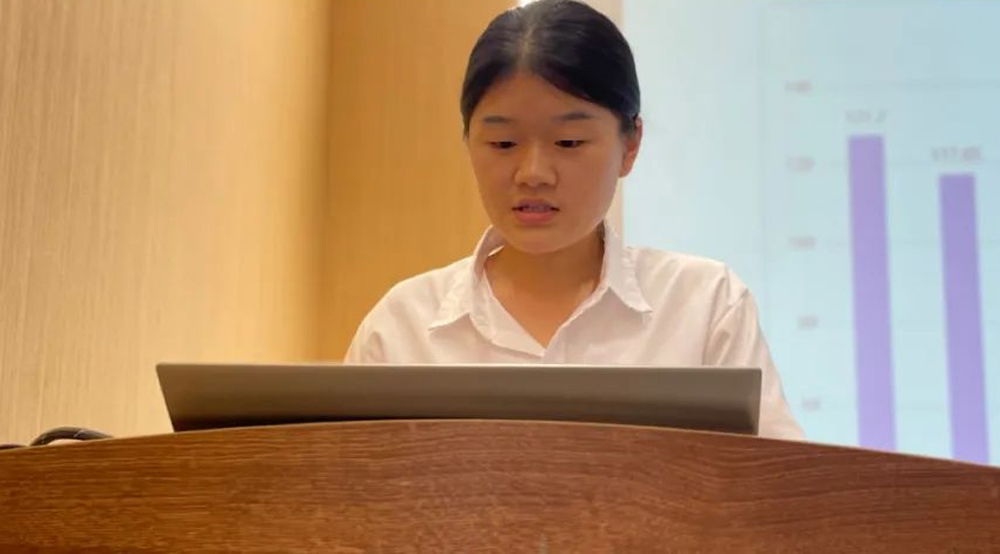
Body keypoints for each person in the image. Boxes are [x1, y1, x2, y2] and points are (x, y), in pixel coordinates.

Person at [345, 0, 803, 440]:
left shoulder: (704, 307)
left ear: (630, 145)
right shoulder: (402, 327)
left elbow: (779, 483)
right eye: (503, 144)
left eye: (568, 142)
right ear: (468, 142)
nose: (533, 173)